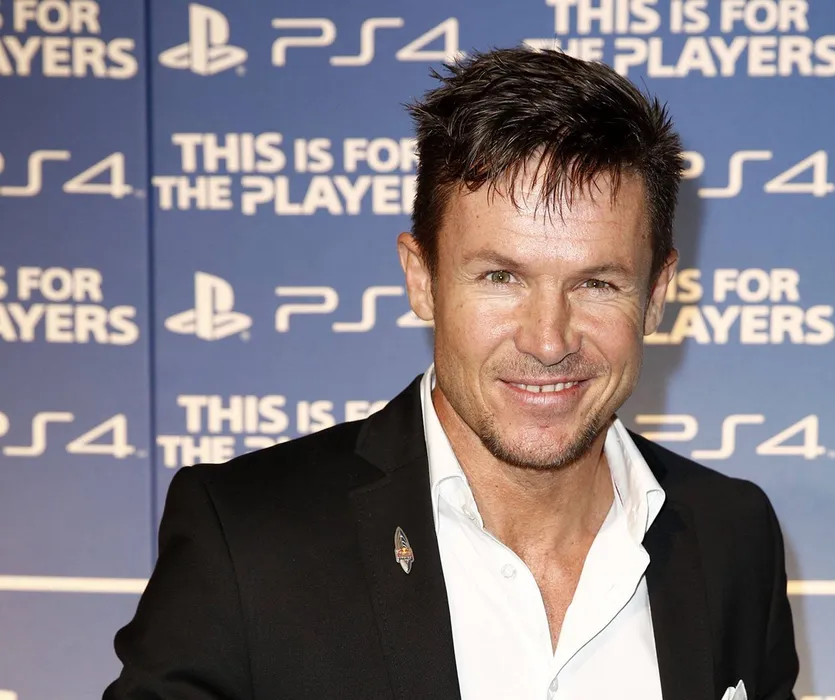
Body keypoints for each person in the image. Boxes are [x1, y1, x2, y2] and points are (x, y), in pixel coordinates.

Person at [103, 47, 798, 700]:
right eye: (501, 277)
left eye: (597, 284)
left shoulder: (732, 535)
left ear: (656, 293)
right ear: (422, 279)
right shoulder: (247, 539)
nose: (548, 341)